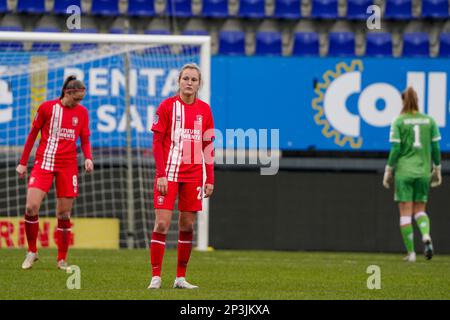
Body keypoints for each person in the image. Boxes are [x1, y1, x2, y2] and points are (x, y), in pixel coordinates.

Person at [148, 63, 215, 289]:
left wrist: (210, 178)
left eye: (193, 80)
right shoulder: (167, 107)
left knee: (187, 225)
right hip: (169, 174)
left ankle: (180, 278)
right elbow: (157, 143)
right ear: (179, 81)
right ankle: (156, 276)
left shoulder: (204, 110)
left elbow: (208, 145)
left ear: (199, 84)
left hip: (194, 175)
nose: (189, 82)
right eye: (185, 78)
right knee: (162, 223)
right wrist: (161, 174)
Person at [16, 75, 94, 270]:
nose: (78, 103)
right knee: (31, 207)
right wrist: (23, 163)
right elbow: (32, 134)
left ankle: (61, 259)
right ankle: (32, 251)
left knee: (64, 213)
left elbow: (84, 139)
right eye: (76, 98)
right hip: (44, 163)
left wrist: (88, 157)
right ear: (67, 93)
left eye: (81, 100)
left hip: (68, 166)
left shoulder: (82, 113)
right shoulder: (47, 108)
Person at [383, 87, 442, 262]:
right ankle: (426, 235)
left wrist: (388, 170)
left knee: (405, 213)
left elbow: (395, 149)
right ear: (418, 100)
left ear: (403, 101)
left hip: (404, 172)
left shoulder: (399, 121)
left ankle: (412, 253)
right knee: (420, 210)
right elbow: (436, 148)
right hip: (423, 171)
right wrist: (437, 168)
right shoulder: (429, 121)